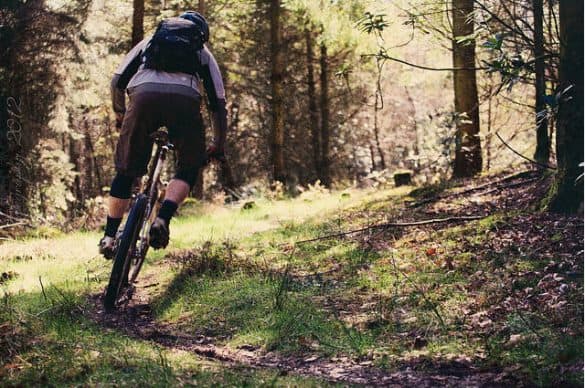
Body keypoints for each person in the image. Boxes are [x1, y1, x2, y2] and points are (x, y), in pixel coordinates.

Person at [99, 11, 227, 259]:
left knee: (126, 170)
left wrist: (120, 114)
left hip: (143, 97)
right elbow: (217, 102)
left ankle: (109, 236)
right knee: (189, 166)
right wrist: (218, 143)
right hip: (185, 102)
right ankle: (162, 219)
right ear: (201, 33)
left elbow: (117, 81)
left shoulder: (150, 41)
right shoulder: (202, 52)